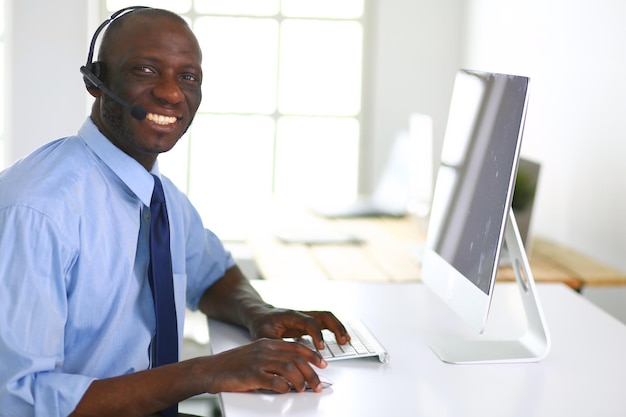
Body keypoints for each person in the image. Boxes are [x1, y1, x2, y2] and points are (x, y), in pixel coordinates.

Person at [0, 7, 351, 417]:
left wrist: (258, 312)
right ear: (96, 81)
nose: (171, 93)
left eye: (189, 77)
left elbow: (212, 273)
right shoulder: (39, 211)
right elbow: (21, 399)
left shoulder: (159, 196)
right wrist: (204, 373)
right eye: (146, 71)